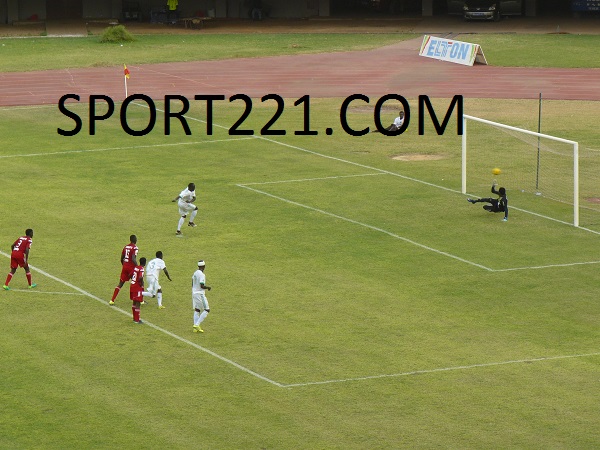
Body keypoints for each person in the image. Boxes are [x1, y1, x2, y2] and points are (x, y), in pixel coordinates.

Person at [110, 235, 139, 305]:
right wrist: (138, 267)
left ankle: (112, 300)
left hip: (125, 266)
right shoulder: (135, 248)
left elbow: (121, 258)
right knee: (137, 283)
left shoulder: (126, 247)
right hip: (131, 268)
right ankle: (140, 300)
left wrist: (124, 265)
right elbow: (133, 259)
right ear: (135, 240)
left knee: (120, 283)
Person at [130, 257, 154, 324]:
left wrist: (134, 280)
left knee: (134, 302)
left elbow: (130, 274)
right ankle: (137, 320)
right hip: (137, 287)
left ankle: (134, 318)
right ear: (145, 263)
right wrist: (141, 283)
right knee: (138, 303)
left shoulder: (136, 267)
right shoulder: (141, 269)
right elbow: (140, 277)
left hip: (132, 285)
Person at [192, 260, 212, 333]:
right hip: (200, 294)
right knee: (207, 310)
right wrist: (208, 287)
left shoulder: (195, 273)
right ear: (204, 266)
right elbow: (202, 285)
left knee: (197, 309)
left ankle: (195, 328)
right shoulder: (202, 275)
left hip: (194, 293)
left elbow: (192, 283)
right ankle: (197, 324)